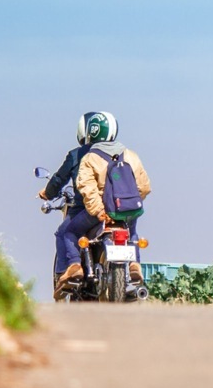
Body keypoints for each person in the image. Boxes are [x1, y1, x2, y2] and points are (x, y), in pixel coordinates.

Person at [55, 111, 152, 296]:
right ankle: (134, 265)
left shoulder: (90, 158)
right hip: (127, 212)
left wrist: (99, 211)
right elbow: (144, 187)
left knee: (69, 232)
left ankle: (75, 265)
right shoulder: (131, 155)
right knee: (132, 233)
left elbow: (86, 188)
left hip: (101, 213)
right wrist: (128, 205)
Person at [39, 117, 91, 295]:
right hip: (117, 208)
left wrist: (47, 193)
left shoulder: (77, 154)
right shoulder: (119, 154)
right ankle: (133, 266)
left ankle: (66, 273)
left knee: (64, 232)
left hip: (85, 208)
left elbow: (59, 179)